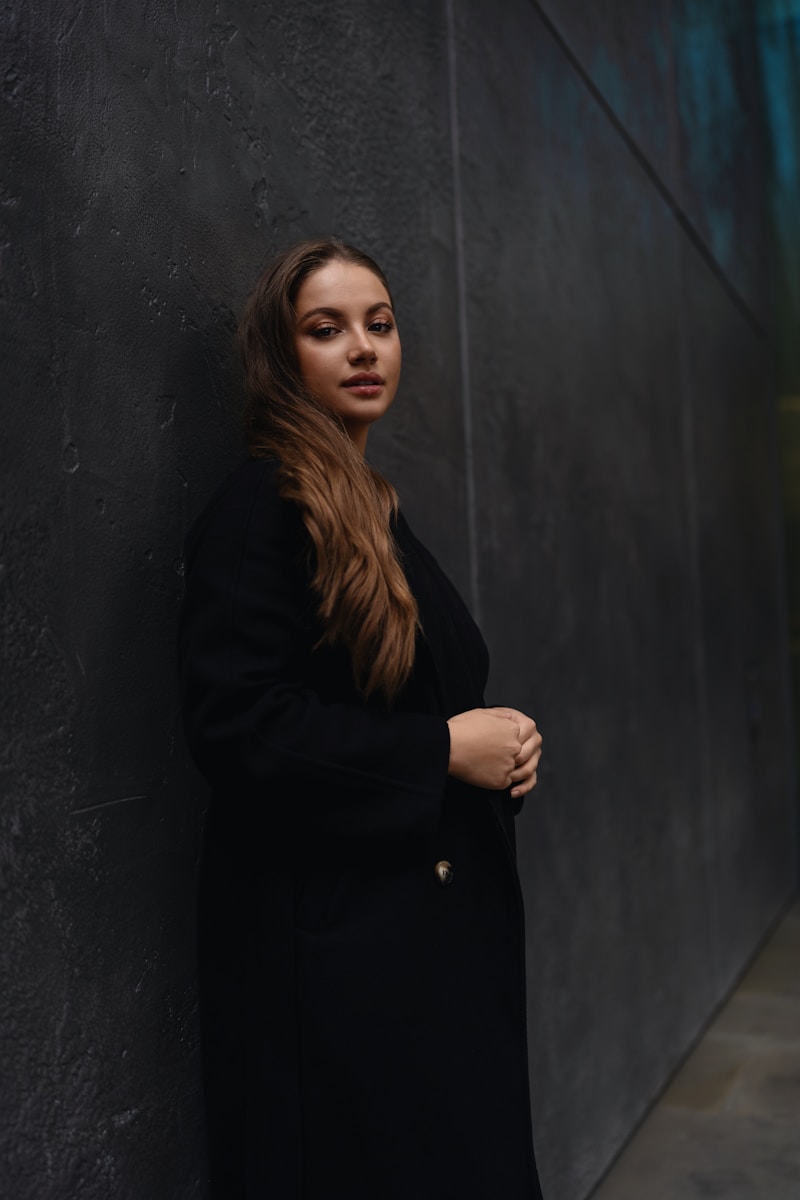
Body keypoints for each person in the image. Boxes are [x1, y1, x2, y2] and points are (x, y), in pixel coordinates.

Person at [178, 237, 544, 1199]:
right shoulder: (263, 505)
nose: (363, 347)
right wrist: (443, 751)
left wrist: (501, 750)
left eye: (379, 325)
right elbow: (238, 725)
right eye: (326, 329)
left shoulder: (373, 510)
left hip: (422, 959)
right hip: (343, 976)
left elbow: (420, 698)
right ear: (280, 355)